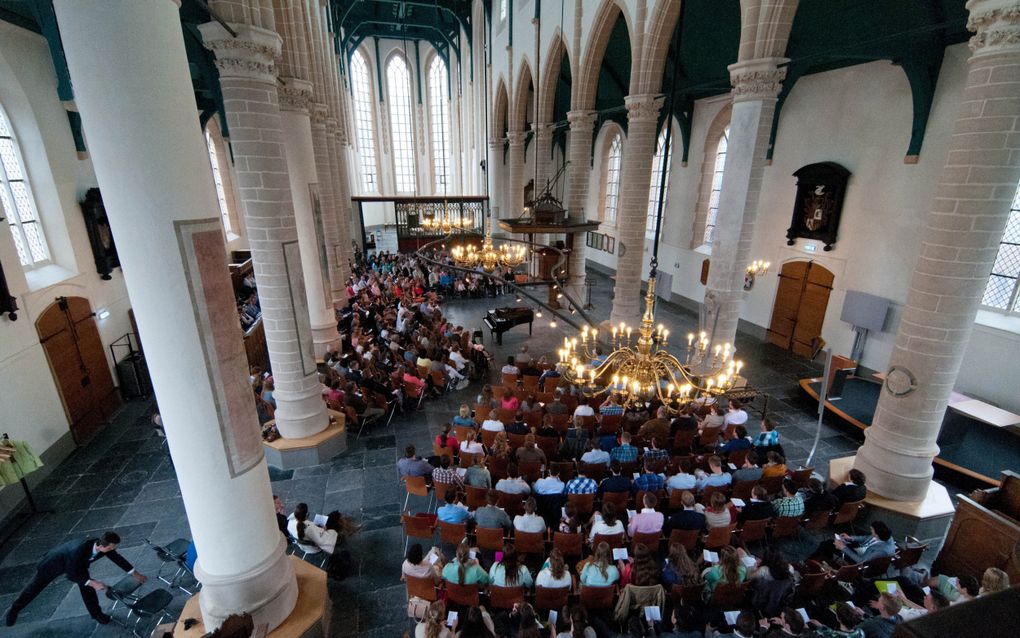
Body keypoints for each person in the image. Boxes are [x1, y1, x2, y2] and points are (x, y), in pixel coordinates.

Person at [6, 531, 147, 626]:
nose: (112, 550)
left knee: (87, 587)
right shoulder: (78, 551)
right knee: (33, 589)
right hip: (53, 564)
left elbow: (117, 558)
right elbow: (71, 574)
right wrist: (92, 582)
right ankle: (14, 609)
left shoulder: (102, 546)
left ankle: (96, 614)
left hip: (78, 564)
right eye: (111, 548)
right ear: (101, 546)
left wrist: (134, 573)